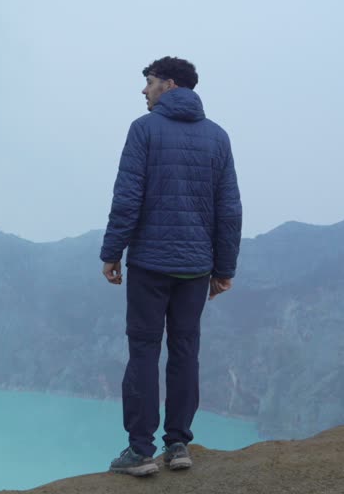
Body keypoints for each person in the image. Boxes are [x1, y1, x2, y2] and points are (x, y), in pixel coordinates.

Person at [100, 55, 242, 477]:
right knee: (185, 350)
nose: (144, 90)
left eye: (148, 82)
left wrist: (112, 253)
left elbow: (127, 197)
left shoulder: (143, 130)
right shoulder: (218, 137)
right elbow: (228, 209)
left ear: (169, 84)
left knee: (144, 350)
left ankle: (140, 452)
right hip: (196, 268)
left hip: (150, 263)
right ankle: (178, 445)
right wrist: (224, 268)